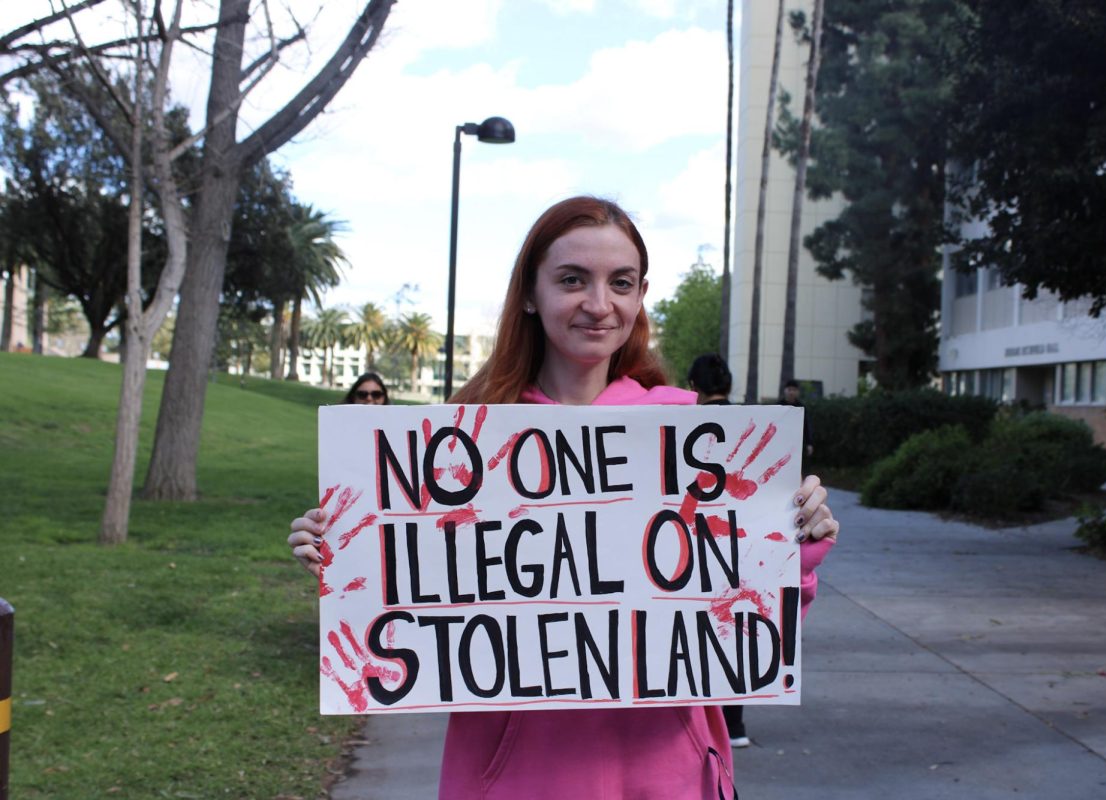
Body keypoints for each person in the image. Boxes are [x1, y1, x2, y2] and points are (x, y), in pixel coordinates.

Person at [289, 196, 839, 800]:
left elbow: (740, 635)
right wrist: (346, 556)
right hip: (514, 778)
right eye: (573, 279)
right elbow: (410, 624)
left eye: (621, 283)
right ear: (530, 292)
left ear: (640, 295)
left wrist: (793, 551)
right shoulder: (458, 450)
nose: (600, 304)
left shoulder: (693, 439)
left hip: (668, 772)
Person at [688, 352, 750, 748]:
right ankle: (735, 724)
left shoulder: (684, 426)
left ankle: (705, 719)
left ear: (694, 386)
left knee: (699, 633)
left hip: (693, 541)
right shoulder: (753, 423)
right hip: (741, 540)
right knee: (735, 630)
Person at [780, 378, 815, 458]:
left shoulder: (801, 407)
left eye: (794, 390)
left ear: (797, 392)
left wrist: (809, 443)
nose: (791, 392)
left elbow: (807, 426)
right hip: (781, 441)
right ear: (785, 390)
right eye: (789, 389)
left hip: (796, 443)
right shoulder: (779, 406)